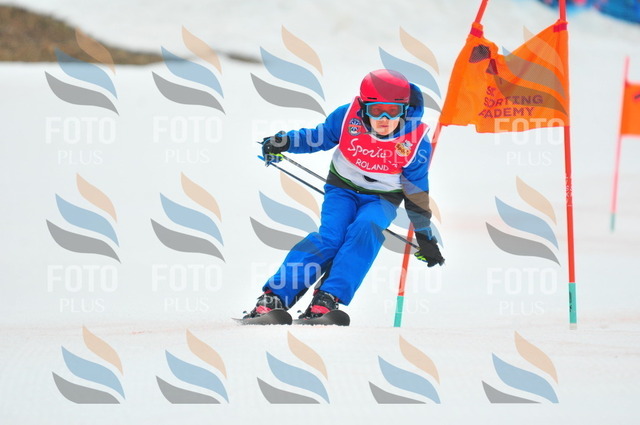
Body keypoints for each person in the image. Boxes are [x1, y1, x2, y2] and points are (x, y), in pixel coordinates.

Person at [244, 69, 444, 321]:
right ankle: (274, 296)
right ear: (364, 107)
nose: (384, 119)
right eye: (376, 111)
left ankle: (328, 298)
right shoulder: (347, 117)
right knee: (331, 237)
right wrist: (286, 141)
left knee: (366, 229)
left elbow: (416, 193)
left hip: (382, 198)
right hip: (342, 189)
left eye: (393, 111)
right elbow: (319, 137)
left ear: (404, 110)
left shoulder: (416, 142)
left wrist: (424, 236)